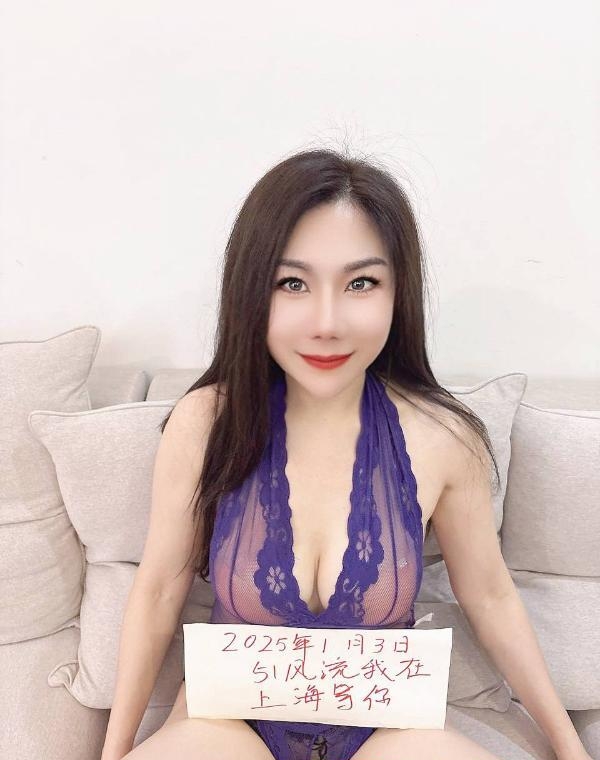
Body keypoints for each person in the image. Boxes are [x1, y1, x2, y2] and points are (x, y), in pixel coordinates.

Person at [101, 148, 589, 760]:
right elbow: (157, 591)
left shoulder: (443, 437)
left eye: (361, 283)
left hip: (387, 726)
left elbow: (490, 596)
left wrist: (570, 748)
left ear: (398, 292)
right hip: (226, 721)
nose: (326, 323)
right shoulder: (205, 422)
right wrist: (113, 751)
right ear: (251, 291)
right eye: (292, 283)